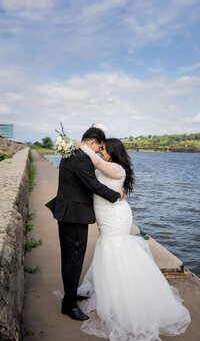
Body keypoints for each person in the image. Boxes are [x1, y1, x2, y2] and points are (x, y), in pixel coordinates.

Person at [77, 138, 191, 341]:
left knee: (115, 247)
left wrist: (83, 146)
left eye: (103, 148)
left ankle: (125, 300)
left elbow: (97, 163)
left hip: (116, 215)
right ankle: (110, 296)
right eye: (99, 148)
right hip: (104, 213)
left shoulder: (116, 169)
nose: (101, 151)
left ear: (113, 151)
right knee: (107, 247)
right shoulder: (105, 166)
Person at [45, 127, 125, 321]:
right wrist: (116, 196)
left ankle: (71, 294)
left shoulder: (73, 152)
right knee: (73, 258)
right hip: (74, 213)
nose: (99, 151)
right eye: (99, 147)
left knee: (71, 258)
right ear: (92, 143)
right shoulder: (80, 157)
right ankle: (69, 305)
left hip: (70, 211)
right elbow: (93, 185)